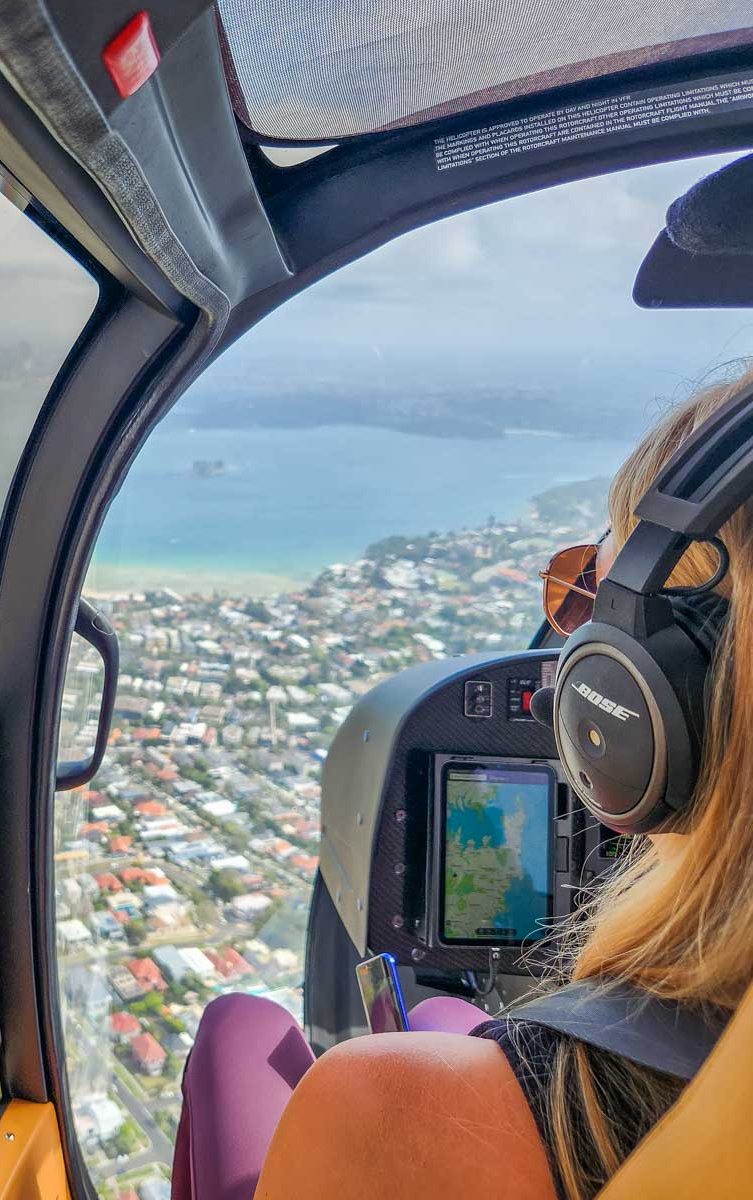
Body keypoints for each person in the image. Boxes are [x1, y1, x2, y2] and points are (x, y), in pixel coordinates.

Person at [171, 363, 753, 1200]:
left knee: (241, 1027)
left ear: (659, 699)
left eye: (594, 603)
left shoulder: (389, 1116)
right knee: (448, 1022)